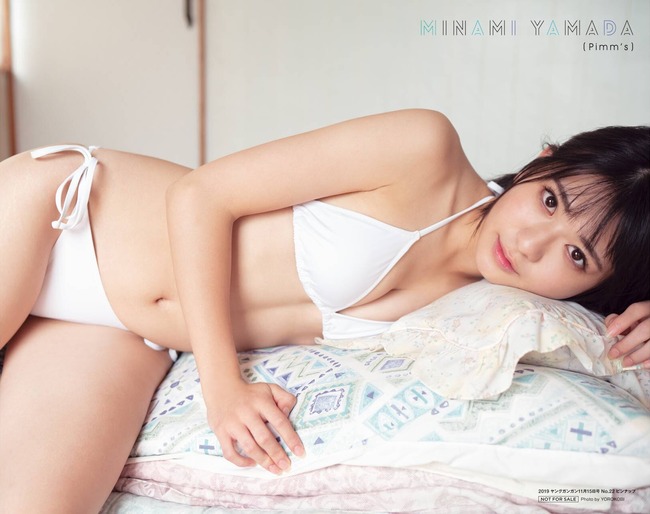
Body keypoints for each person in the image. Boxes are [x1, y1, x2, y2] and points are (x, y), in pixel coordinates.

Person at [0, 109, 648, 512]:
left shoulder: (490, 310)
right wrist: (224, 387)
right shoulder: (425, 150)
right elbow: (201, 194)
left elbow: (613, 339)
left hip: (125, 334)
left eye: (577, 255)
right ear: (541, 162)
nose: (531, 244)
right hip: (62, 222)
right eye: (551, 200)